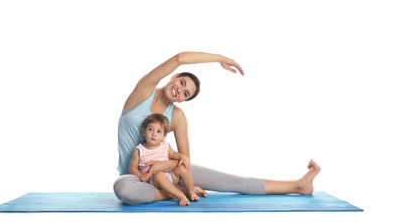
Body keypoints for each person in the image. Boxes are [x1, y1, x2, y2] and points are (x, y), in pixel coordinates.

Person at [114, 51, 321, 205]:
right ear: (174, 77)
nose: (180, 90)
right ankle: (181, 192)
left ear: (185, 101)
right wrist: (219, 59)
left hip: (170, 173)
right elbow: (179, 58)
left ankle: (299, 185)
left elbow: (185, 160)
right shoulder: (142, 93)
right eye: (182, 83)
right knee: (123, 189)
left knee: (235, 181)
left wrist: (163, 167)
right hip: (137, 178)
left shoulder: (176, 115)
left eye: (186, 94)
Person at [129, 113, 204, 206]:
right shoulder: (139, 150)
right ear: (144, 132)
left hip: (170, 176)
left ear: (164, 136)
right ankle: (180, 195)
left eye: (158, 131)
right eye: (150, 129)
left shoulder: (165, 145)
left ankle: (191, 191)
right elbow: (133, 168)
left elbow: (174, 154)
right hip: (154, 180)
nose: (154, 134)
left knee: (183, 168)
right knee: (159, 175)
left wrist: (182, 157)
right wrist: (140, 176)